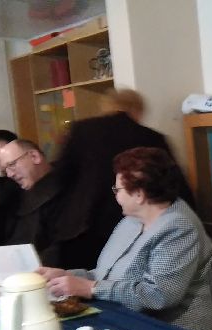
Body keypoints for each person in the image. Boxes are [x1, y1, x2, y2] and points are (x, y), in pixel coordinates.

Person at [38, 147, 212, 330]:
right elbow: (106, 275)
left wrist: (90, 288)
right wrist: (67, 277)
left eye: (118, 189)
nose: (115, 195)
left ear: (139, 194)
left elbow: (159, 296)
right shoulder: (132, 221)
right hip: (132, 321)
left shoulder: (178, 228)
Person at [52, 88, 195, 269]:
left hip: (82, 227)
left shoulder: (81, 130)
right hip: (131, 225)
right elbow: (174, 185)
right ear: (137, 110)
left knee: (80, 279)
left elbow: (60, 177)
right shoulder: (152, 137)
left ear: (107, 106)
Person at [0, 139, 68, 266]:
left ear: (34, 157)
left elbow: (62, 249)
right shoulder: (21, 192)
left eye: (12, 164)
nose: (9, 174)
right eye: (5, 170)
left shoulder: (66, 190)